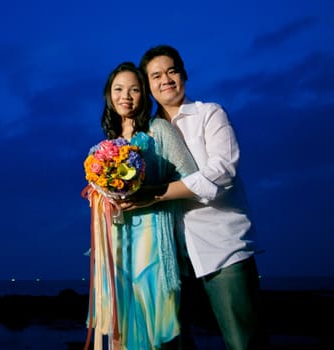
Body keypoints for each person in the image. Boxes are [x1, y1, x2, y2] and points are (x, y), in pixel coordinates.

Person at [128, 44, 268, 350]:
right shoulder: (146, 134)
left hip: (222, 247)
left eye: (171, 71)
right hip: (171, 256)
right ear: (148, 85)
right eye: (156, 75)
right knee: (173, 343)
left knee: (243, 341)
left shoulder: (210, 113)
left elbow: (223, 171)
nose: (165, 79)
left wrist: (156, 194)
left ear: (184, 75)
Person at [82, 61, 197, 350]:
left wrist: (151, 194)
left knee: (157, 322)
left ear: (144, 94)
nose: (126, 96)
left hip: (151, 240)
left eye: (134, 89)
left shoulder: (159, 130)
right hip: (117, 242)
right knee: (120, 323)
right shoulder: (107, 144)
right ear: (109, 95)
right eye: (119, 89)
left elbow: (191, 179)